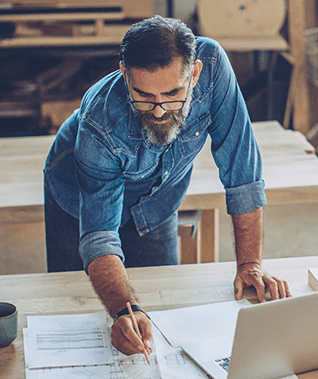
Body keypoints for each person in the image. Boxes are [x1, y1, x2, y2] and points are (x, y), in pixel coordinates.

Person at [44, 15, 290, 357]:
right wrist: (124, 311)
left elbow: (242, 174)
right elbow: (99, 234)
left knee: (161, 315)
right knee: (75, 317)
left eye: (173, 93)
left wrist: (250, 265)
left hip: (157, 201)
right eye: (143, 95)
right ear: (124, 74)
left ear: (195, 74)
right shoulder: (99, 123)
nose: (159, 111)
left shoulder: (215, 68)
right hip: (76, 200)